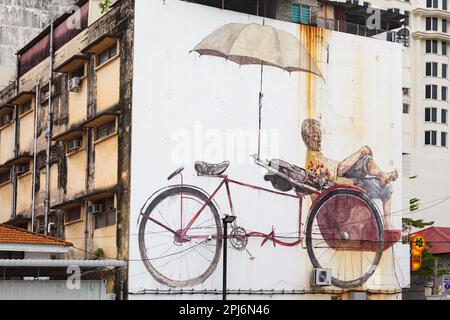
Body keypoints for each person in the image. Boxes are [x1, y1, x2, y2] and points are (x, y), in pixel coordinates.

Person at [301, 119, 398, 230]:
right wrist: (359, 154)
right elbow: (338, 172)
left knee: (386, 186)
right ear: (306, 138)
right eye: (315, 136)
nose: (319, 139)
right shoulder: (312, 160)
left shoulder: (317, 156)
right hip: (343, 189)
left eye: (320, 135)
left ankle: (382, 177)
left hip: (347, 182)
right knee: (362, 157)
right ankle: (379, 171)